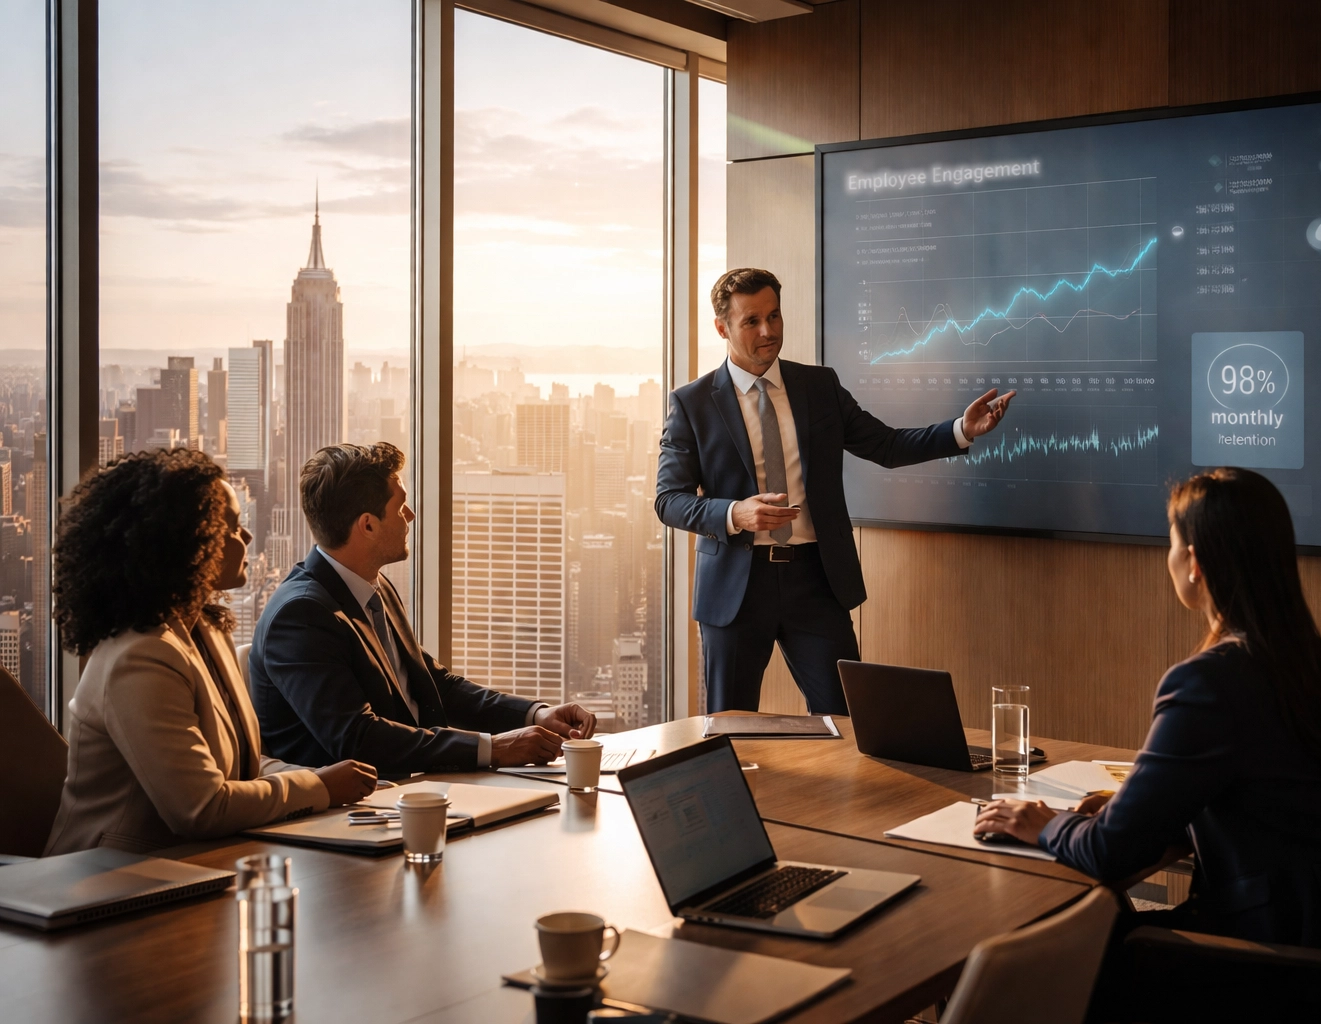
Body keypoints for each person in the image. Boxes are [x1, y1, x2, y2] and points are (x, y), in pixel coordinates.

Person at [974, 468, 1321, 1012]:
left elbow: (1109, 852)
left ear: (1195, 563)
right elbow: (1272, 798)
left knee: (1036, 962)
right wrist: (1139, 809)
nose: (1169, 558)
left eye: (1171, 544)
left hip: (1278, 962)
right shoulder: (1313, 666)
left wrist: (1042, 822)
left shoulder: (1210, 681)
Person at [656, 268, 1015, 714]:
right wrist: (734, 514)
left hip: (816, 581)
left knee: (846, 722)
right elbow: (668, 500)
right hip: (735, 588)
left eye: (774, 316)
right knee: (731, 729)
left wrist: (961, 430)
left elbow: (885, 445)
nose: (768, 331)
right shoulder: (691, 403)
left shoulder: (818, 386)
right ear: (722, 327)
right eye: (752, 322)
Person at [46, 450, 377, 855]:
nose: (248, 538)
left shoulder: (205, 629)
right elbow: (201, 808)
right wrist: (321, 787)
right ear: (187, 542)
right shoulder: (139, 658)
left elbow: (241, 767)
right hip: (106, 884)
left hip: (193, 867)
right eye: (232, 527)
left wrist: (332, 782)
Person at [251, 442, 595, 776]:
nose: (411, 516)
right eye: (400, 508)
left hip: (410, 785)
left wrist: (535, 715)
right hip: (349, 812)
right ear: (367, 525)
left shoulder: (373, 586)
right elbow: (358, 739)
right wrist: (494, 749)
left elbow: (433, 683)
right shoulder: (300, 617)